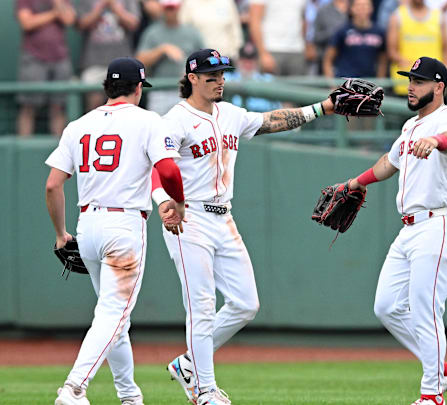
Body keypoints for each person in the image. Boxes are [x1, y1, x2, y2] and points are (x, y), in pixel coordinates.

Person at [152, 48, 335, 405]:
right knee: (202, 307)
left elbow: (270, 120)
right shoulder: (174, 120)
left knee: (245, 303)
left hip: (224, 218)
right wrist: (164, 203)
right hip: (189, 220)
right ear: (192, 78)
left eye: (222, 74)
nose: (220, 80)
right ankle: (205, 391)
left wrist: (322, 108)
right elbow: (158, 169)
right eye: (211, 76)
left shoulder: (230, 114)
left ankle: (189, 363)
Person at [45, 57, 186, 405]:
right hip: (123, 226)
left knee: (116, 319)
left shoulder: (78, 125)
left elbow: (52, 185)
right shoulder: (147, 121)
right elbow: (168, 169)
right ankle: (74, 387)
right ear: (138, 88)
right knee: (112, 314)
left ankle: (129, 396)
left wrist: (62, 234)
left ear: (108, 87)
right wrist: (178, 201)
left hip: (87, 226)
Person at [346, 56, 447, 405]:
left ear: (439, 86)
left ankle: (431, 394)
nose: (410, 86)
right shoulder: (410, 126)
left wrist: (437, 143)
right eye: (409, 79)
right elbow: (390, 162)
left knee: (425, 309)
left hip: (440, 223)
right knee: (386, 306)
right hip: (411, 229)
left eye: (418, 81)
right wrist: (356, 182)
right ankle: (441, 370)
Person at [15, 0, 76, 137]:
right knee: (29, 107)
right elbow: (27, 23)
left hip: (60, 58)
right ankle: (24, 149)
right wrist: (54, 14)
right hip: (34, 57)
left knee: (58, 107)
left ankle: (61, 152)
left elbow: (69, 19)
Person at [135, 0, 204, 114]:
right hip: (159, 91)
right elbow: (139, 61)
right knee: (158, 128)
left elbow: (205, 60)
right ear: (162, 8)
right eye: (167, 8)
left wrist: (191, 71)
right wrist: (162, 49)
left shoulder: (192, 32)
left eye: (173, 7)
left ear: (179, 8)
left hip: (186, 91)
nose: (170, 11)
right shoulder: (152, 32)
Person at [77, 0, 141, 111]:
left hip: (122, 63)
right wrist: (101, 6)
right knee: (94, 104)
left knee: (124, 105)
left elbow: (134, 23)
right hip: (94, 62)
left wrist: (115, 7)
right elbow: (81, 24)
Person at [387, 0, 447, 95]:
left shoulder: (439, 16)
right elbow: (392, 51)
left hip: (433, 84)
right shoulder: (397, 16)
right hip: (405, 86)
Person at [322, 0, 387, 79]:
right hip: (346, 82)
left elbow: (383, 60)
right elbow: (328, 59)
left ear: (371, 8)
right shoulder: (342, 31)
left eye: (366, 5)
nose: (362, 9)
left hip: (368, 84)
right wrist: (332, 85)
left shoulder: (379, 32)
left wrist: (380, 82)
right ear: (351, 8)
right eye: (359, 5)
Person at [248, 0, 309, 75]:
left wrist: (305, 45)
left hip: (297, 50)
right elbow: (254, 21)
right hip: (271, 49)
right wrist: (263, 53)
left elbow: (303, 19)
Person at [179, 0, 244, 59]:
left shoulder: (227, 2)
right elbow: (183, 31)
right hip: (199, 60)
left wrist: (234, 54)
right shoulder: (189, 3)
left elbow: (236, 31)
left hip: (224, 58)